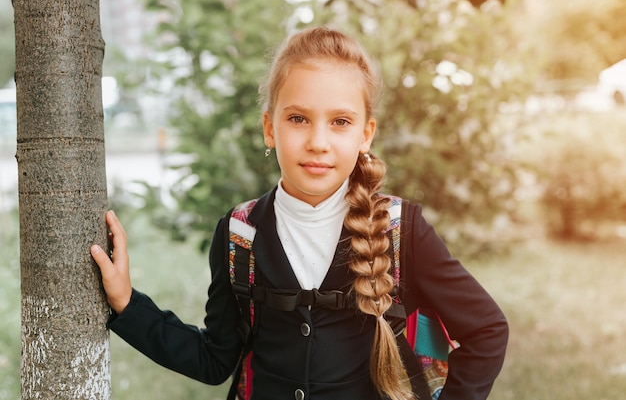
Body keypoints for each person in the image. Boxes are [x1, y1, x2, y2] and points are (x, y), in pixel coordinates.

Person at [91, 26, 508, 400]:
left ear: (366, 134)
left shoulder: (400, 230)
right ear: (270, 128)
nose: (318, 141)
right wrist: (128, 304)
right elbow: (215, 360)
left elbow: (487, 331)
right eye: (298, 119)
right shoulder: (239, 235)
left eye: (340, 121)